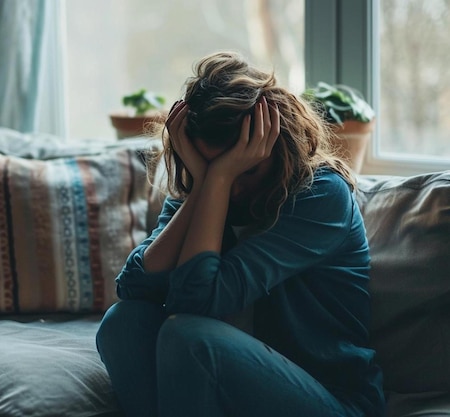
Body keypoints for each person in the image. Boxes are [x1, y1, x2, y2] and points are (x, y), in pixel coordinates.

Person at [96, 51, 385, 417]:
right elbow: (134, 286)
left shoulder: (322, 196)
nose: (232, 189)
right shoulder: (204, 187)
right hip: (222, 392)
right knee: (123, 323)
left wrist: (216, 178)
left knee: (189, 337)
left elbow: (194, 308)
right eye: (212, 166)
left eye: (243, 170)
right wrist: (205, 184)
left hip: (328, 398)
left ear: (275, 145)